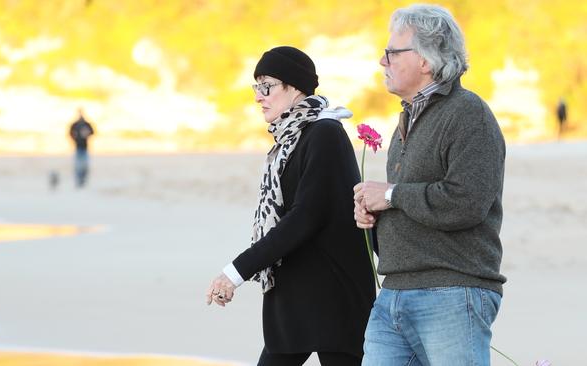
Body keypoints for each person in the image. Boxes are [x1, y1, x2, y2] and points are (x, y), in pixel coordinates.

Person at [352, 5, 507, 365]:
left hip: (452, 292)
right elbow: (410, 204)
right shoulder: (407, 119)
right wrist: (374, 215)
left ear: (426, 59)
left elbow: (467, 202)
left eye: (392, 52)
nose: (381, 61)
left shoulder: (469, 114)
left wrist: (390, 195)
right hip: (393, 294)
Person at [206, 46, 375, 366]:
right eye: (256, 87)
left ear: (294, 87)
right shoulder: (292, 138)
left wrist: (235, 272)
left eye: (266, 86)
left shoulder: (326, 134)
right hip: (295, 296)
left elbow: (305, 217)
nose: (258, 96)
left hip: (334, 296)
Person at [69, 108, 95, 188]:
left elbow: (93, 132)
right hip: (78, 148)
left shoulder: (87, 124)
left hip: (85, 148)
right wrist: (75, 138)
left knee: (85, 166)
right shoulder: (75, 124)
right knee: (77, 166)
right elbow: (70, 133)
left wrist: (87, 134)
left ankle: (83, 180)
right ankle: (78, 181)